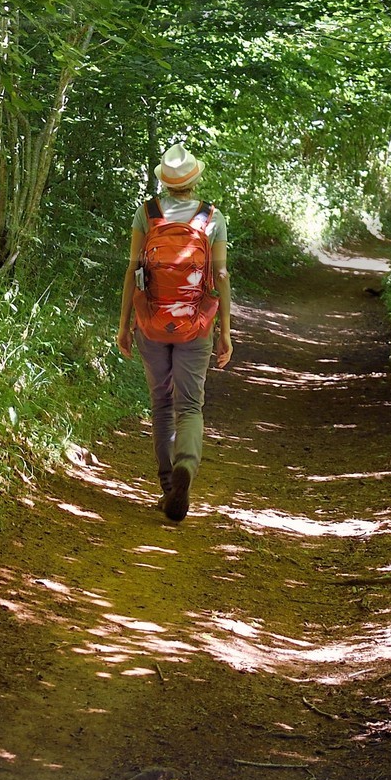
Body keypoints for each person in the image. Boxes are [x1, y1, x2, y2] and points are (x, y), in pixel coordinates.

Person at [116, 145, 233, 523]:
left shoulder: (147, 214)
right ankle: (186, 467)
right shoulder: (212, 218)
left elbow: (133, 270)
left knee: (162, 404)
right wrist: (225, 332)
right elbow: (221, 278)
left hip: (151, 322)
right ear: (194, 180)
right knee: (190, 406)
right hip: (196, 325)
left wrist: (124, 326)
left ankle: (168, 487)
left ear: (165, 182)